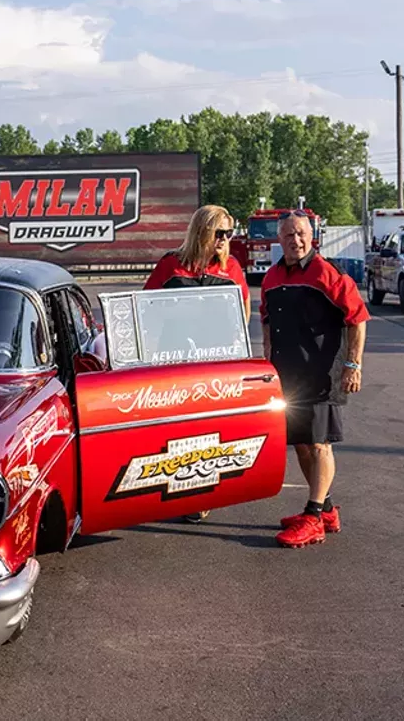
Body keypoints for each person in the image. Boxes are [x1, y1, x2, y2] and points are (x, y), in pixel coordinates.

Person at [261, 210, 369, 548]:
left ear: (312, 236)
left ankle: (312, 517)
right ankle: (326, 509)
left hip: (322, 373)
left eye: (300, 233)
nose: (295, 240)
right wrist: (267, 367)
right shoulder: (271, 277)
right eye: (288, 235)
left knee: (320, 444)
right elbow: (266, 324)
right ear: (279, 240)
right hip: (288, 375)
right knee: (303, 446)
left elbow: (358, 319)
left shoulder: (327, 273)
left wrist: (353, 365)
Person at [143, 204, 250, 523]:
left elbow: (243, 312)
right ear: (201, 230)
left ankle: (200, 493)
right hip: (173, 361)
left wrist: (236, 353)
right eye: (219, 232)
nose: (224, 239)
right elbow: (145, 308)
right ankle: (179, 485)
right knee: (177, 427)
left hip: (214, 363)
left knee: (210, 428)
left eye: (228, 233)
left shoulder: (231, 267)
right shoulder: (171, 265)